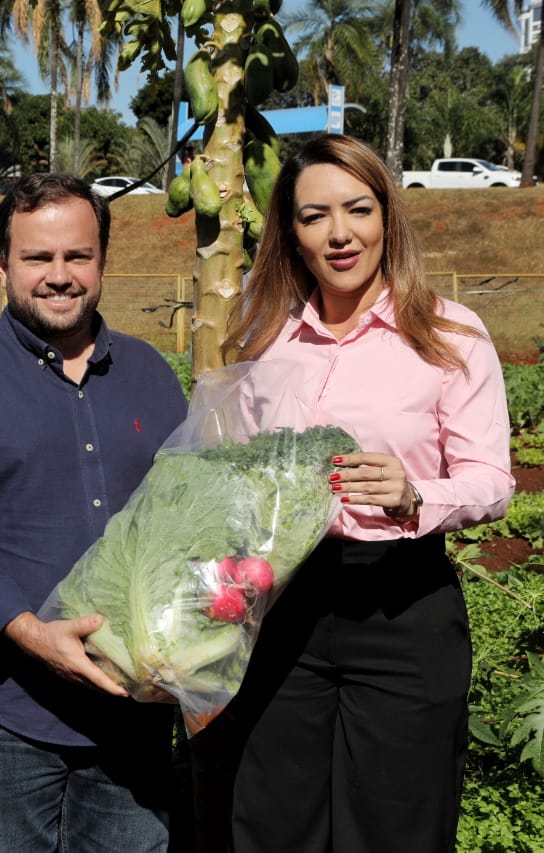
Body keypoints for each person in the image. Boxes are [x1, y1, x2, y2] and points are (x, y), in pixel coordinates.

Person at [215, 134, 515, 851]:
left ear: (387, 215)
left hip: (401, 607)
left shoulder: (448, 333)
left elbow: (493, 481)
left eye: (358, 209)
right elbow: (237, 471)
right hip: (284, 606)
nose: (340, 233)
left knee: (396, 825)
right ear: (291, 230)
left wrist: (416, 495)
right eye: (315, 215)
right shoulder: (265, 335)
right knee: (274, 817)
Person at [0, 172, 189, 852]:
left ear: (102, 261)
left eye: (77, 256)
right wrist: (31, 633)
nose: (59, 276)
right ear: (2, 266)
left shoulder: (151, 373)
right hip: (4, 709)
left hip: (132, 710)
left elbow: (181, 520)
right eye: (37, 258)